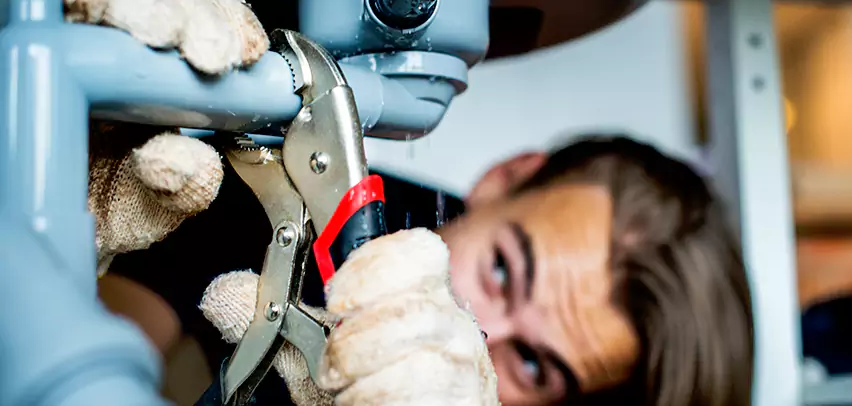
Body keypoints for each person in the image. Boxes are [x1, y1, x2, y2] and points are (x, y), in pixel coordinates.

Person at [102, 134, 755, 406]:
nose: (473, 328)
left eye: (534, 366)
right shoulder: (284, 199)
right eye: (503, 270)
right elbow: (97, 350)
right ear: (505, 181)